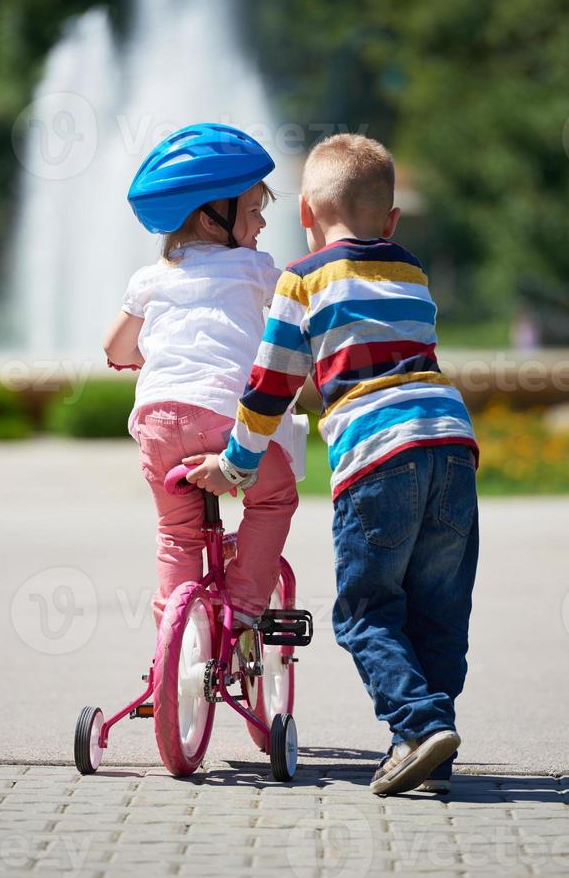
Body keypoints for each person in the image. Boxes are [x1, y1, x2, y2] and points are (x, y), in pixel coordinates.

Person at [185, 133, 479, 797]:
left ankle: (414, 726)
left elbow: (270, 388)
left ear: (306, 218)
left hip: (379, 458)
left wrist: (235, 467)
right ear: (393, 221)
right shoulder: (412, 273)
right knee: (438, 609)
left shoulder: (303, 278)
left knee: (366, 612)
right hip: (453, 448)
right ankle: (434, 738)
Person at [104, 123, 306, 630]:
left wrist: (138, 359)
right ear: (212, 218)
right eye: (255, 211)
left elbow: (115, 348)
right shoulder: (255, 268)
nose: (261, 224)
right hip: (221, 412)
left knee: (177, 533)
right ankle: (241, 606)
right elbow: (299, 308)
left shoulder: (149, 277)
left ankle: (178, 647)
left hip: (154, 421)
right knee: (274, 496)